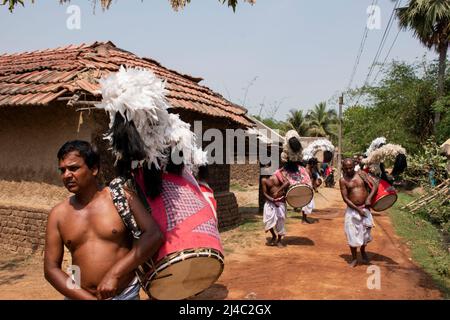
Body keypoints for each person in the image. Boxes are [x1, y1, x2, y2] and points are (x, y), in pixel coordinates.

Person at [44, 140, 164, 300]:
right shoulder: (58, 214)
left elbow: (154, 235)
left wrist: (114, 274)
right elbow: (51, 269)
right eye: (62, 170)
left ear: (94, 169)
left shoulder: (121, 198)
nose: (66, 175)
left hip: (123, 295)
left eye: (74, 168)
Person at [339, 158, 379, 268]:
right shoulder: (343, 180)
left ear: (354, 165)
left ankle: (363, 251)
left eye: (351, 167)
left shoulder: (362, 174)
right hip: (353, 211)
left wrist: (369, 198)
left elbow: (374, 185)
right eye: (346, 168)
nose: (349, 170)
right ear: (343, 168)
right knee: (352, 234)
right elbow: (345, 198)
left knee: (365, 234)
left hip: (365, 209)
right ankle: (354, 259)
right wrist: (357, 210)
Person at [262, 172, 290, 247]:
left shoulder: (279, 175)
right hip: (270, 203)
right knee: (269, 221)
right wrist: (273, 200)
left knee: (280, 221)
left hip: (280, 202)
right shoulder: (264, 180)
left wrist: (278, 191)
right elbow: (264, 193)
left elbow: (287, 182)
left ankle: (279, 240)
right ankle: (274, 235)